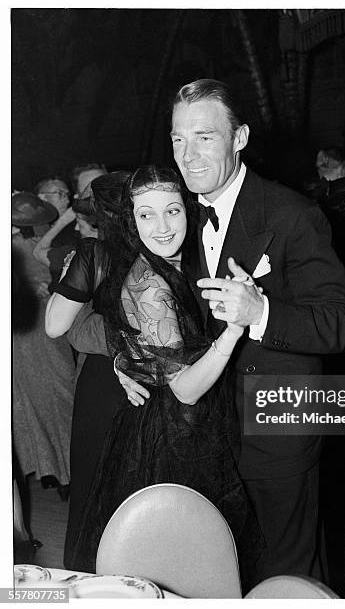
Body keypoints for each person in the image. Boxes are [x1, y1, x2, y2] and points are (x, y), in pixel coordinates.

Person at [70, 79, 345, 586]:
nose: (188, 154)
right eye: (178, 139)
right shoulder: (174, 211)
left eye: (205, 137)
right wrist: (131, 355)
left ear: (240, 137)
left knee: (287, 578)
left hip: (278, 430)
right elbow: (130, 308)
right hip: (206, 439)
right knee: (219, 575)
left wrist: (262, 311)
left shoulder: (291, 213)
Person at [65, 165, 263, 586]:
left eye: (172, 210)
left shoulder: (172, 264)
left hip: (177, 427)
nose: (162, 226)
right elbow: (188, 389)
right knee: (177, 565)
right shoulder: (150, 285)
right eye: (146, 214)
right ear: (131, 220)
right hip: (167, 436)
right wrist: (233, 331)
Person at [45, 172, 129, 569]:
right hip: (158, 378)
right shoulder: (170, 247)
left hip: (105, 380)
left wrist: (67, 281)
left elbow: (55, 325)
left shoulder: (93, 252)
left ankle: (89, 577)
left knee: (94, 480)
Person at [12, 192, 75, 496]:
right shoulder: (39, 246)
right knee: (60, 400)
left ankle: (56, 471)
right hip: (45, 333)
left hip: (28, 336)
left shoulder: (18, 248)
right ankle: (66, 472)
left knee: (37, 405)